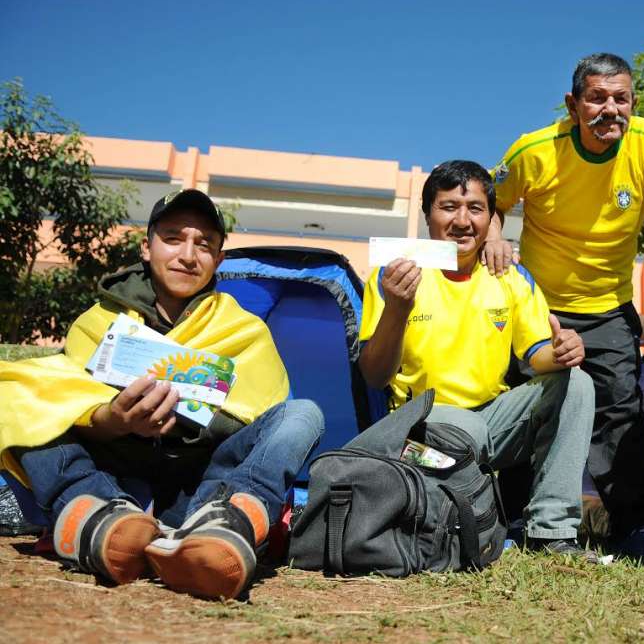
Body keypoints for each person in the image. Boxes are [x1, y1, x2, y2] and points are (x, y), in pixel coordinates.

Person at [0, 189, 324, 600]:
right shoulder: (97, 322)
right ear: (146, 248)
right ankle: (94, 512)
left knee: (302, 414)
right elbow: (66, 403)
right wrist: (111, 419)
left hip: (200, 485)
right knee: (16, 390)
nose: (188, 255)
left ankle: (227, 522)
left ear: (219, 259)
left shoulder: (244, 331)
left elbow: (253, 415)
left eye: (204, 244)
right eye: (173, 238)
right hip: (111, 472)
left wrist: (189, 420)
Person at [484, 52, 644, 561]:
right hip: (536, 307)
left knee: (621, 414)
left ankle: (639, 528)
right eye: (597, 98)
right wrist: (494, 240)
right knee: (524, 407)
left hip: (609, 309)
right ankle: (508, 519)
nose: (610, 109)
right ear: (573, 104)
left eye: (620, 98)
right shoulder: (535, 149)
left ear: (633, 103)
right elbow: (490, 199)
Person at [358, 160, 598, 560]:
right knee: (465, 426)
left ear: (491, 218)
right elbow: (374, 375)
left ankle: (551, 533)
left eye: (475, 208)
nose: (463, 220)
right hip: (417, 434)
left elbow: (536, 353)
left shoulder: (510, 277)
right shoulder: (394, 274)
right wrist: (398, 309)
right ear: (427, 216)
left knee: (578, 383)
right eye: (448, 207)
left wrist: (560, 353)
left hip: (490, 426)